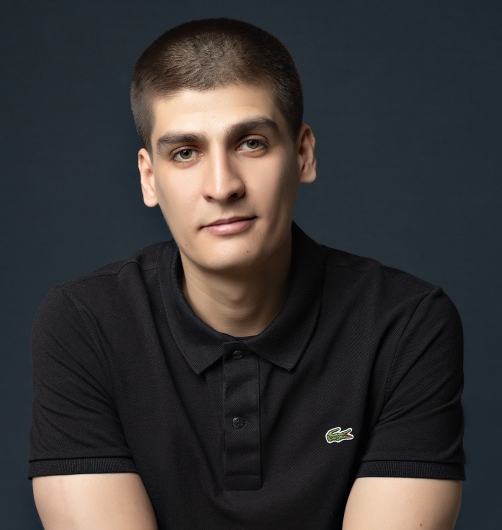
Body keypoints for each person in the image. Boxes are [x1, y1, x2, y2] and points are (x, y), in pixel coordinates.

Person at [29, 18, 465, 529]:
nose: (222, 186)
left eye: (251, 143)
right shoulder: (86, 324)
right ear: (149, 178)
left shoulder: (405, 325)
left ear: (303, 154)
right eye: (185, 153)